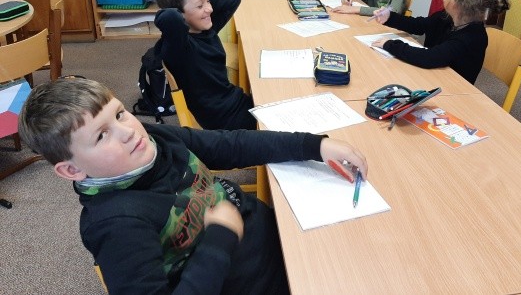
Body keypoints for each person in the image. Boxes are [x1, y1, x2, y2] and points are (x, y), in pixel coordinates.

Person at [18, 77, 368, 295]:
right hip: (251, 277)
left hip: (273, 236)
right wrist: (219, 239)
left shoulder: (151, 138)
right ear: (72, 169)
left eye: (120, 113)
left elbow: (229, 145)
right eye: (101, 135)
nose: (128, 132)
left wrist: (315, 146)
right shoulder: (117, 226)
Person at [154, 0, 255, 130]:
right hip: (225, 122)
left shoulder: (206, 28)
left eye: (208, 1)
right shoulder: (179, 47)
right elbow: (169, 17)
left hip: (233, 103)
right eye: (200, 6)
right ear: (180, 15)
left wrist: (200, 2)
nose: (210, 9)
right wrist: (186, 8)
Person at [372, 0, 502, 84]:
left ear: (454, 4)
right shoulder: (446, 17)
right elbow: (419, 25)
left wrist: (390, 45)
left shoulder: (471, 38)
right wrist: (390, 17)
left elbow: (429, 57)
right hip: (432, 76)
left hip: (452, 88)